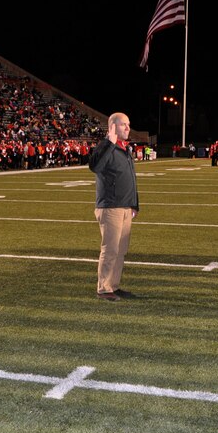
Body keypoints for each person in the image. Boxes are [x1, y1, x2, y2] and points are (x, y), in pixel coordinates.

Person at [88, 112, 139, 301]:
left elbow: (131, 179)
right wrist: (109, 142)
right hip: (111, 207)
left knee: (120, 250)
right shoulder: (106, 146)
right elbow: (95, 166)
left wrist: (134, 204)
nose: (128, 128)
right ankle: (103, 288)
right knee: (110, 249)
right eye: (124, 124)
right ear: (112, 127)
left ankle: (113, 285)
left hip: (125, 207)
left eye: (128, 124)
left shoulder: (124, 149)